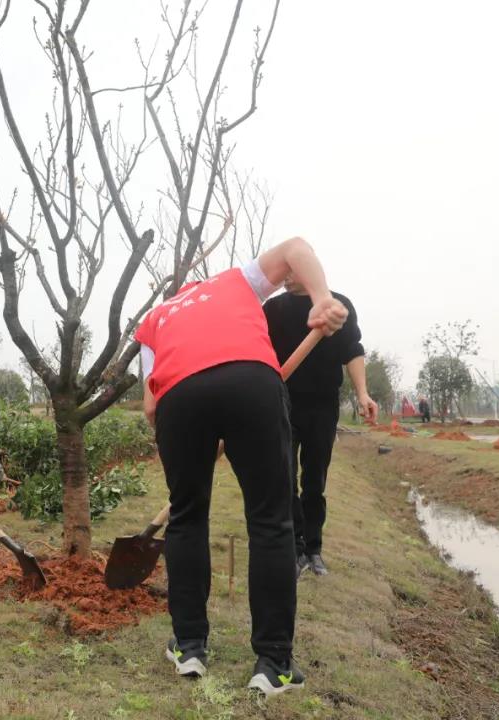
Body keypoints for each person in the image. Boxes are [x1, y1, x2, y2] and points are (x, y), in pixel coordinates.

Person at [136, 237, 348, 697]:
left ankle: (189, 645)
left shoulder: (153, 321)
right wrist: (322, 299)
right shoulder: (233, 281)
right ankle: (274, 664)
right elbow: (295, 246)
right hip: (251, 381)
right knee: (271, 520)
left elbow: (151, 406)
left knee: (187, 515)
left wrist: (198, 422)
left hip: (179, 397)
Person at [263, 283, 378, 579]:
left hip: (322, 406)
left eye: (294, 267)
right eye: (284, 268)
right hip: (281, 404)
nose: (286, 275)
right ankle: (294, 547)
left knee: (315, 480)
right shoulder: (273, 309)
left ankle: (313, 549)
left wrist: (363, 394)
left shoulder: (337, 305)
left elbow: (352, 350)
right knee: (284, 478)